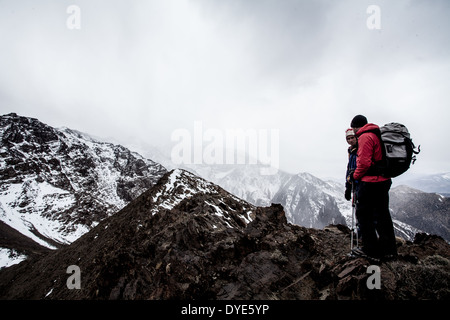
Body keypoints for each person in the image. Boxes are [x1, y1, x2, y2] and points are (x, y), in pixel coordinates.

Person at [349, 115, 397, 261]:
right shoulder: (377, 134)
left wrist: (354, 176)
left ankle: (371, 251)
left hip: (370, 183)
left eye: (354, 128)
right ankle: (389, 251)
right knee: (383, 216)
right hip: (383, 181)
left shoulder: (365, 137)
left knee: (364, 216)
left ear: (357, 126)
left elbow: (363, 163)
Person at [345, 128, 358, 201]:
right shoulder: (351, 151)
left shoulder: (360, 149)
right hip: (354, 182)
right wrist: (348, 187)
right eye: (348, 139)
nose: (350, 140)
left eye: (352, 137)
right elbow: (349, 168)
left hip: (360, 182)